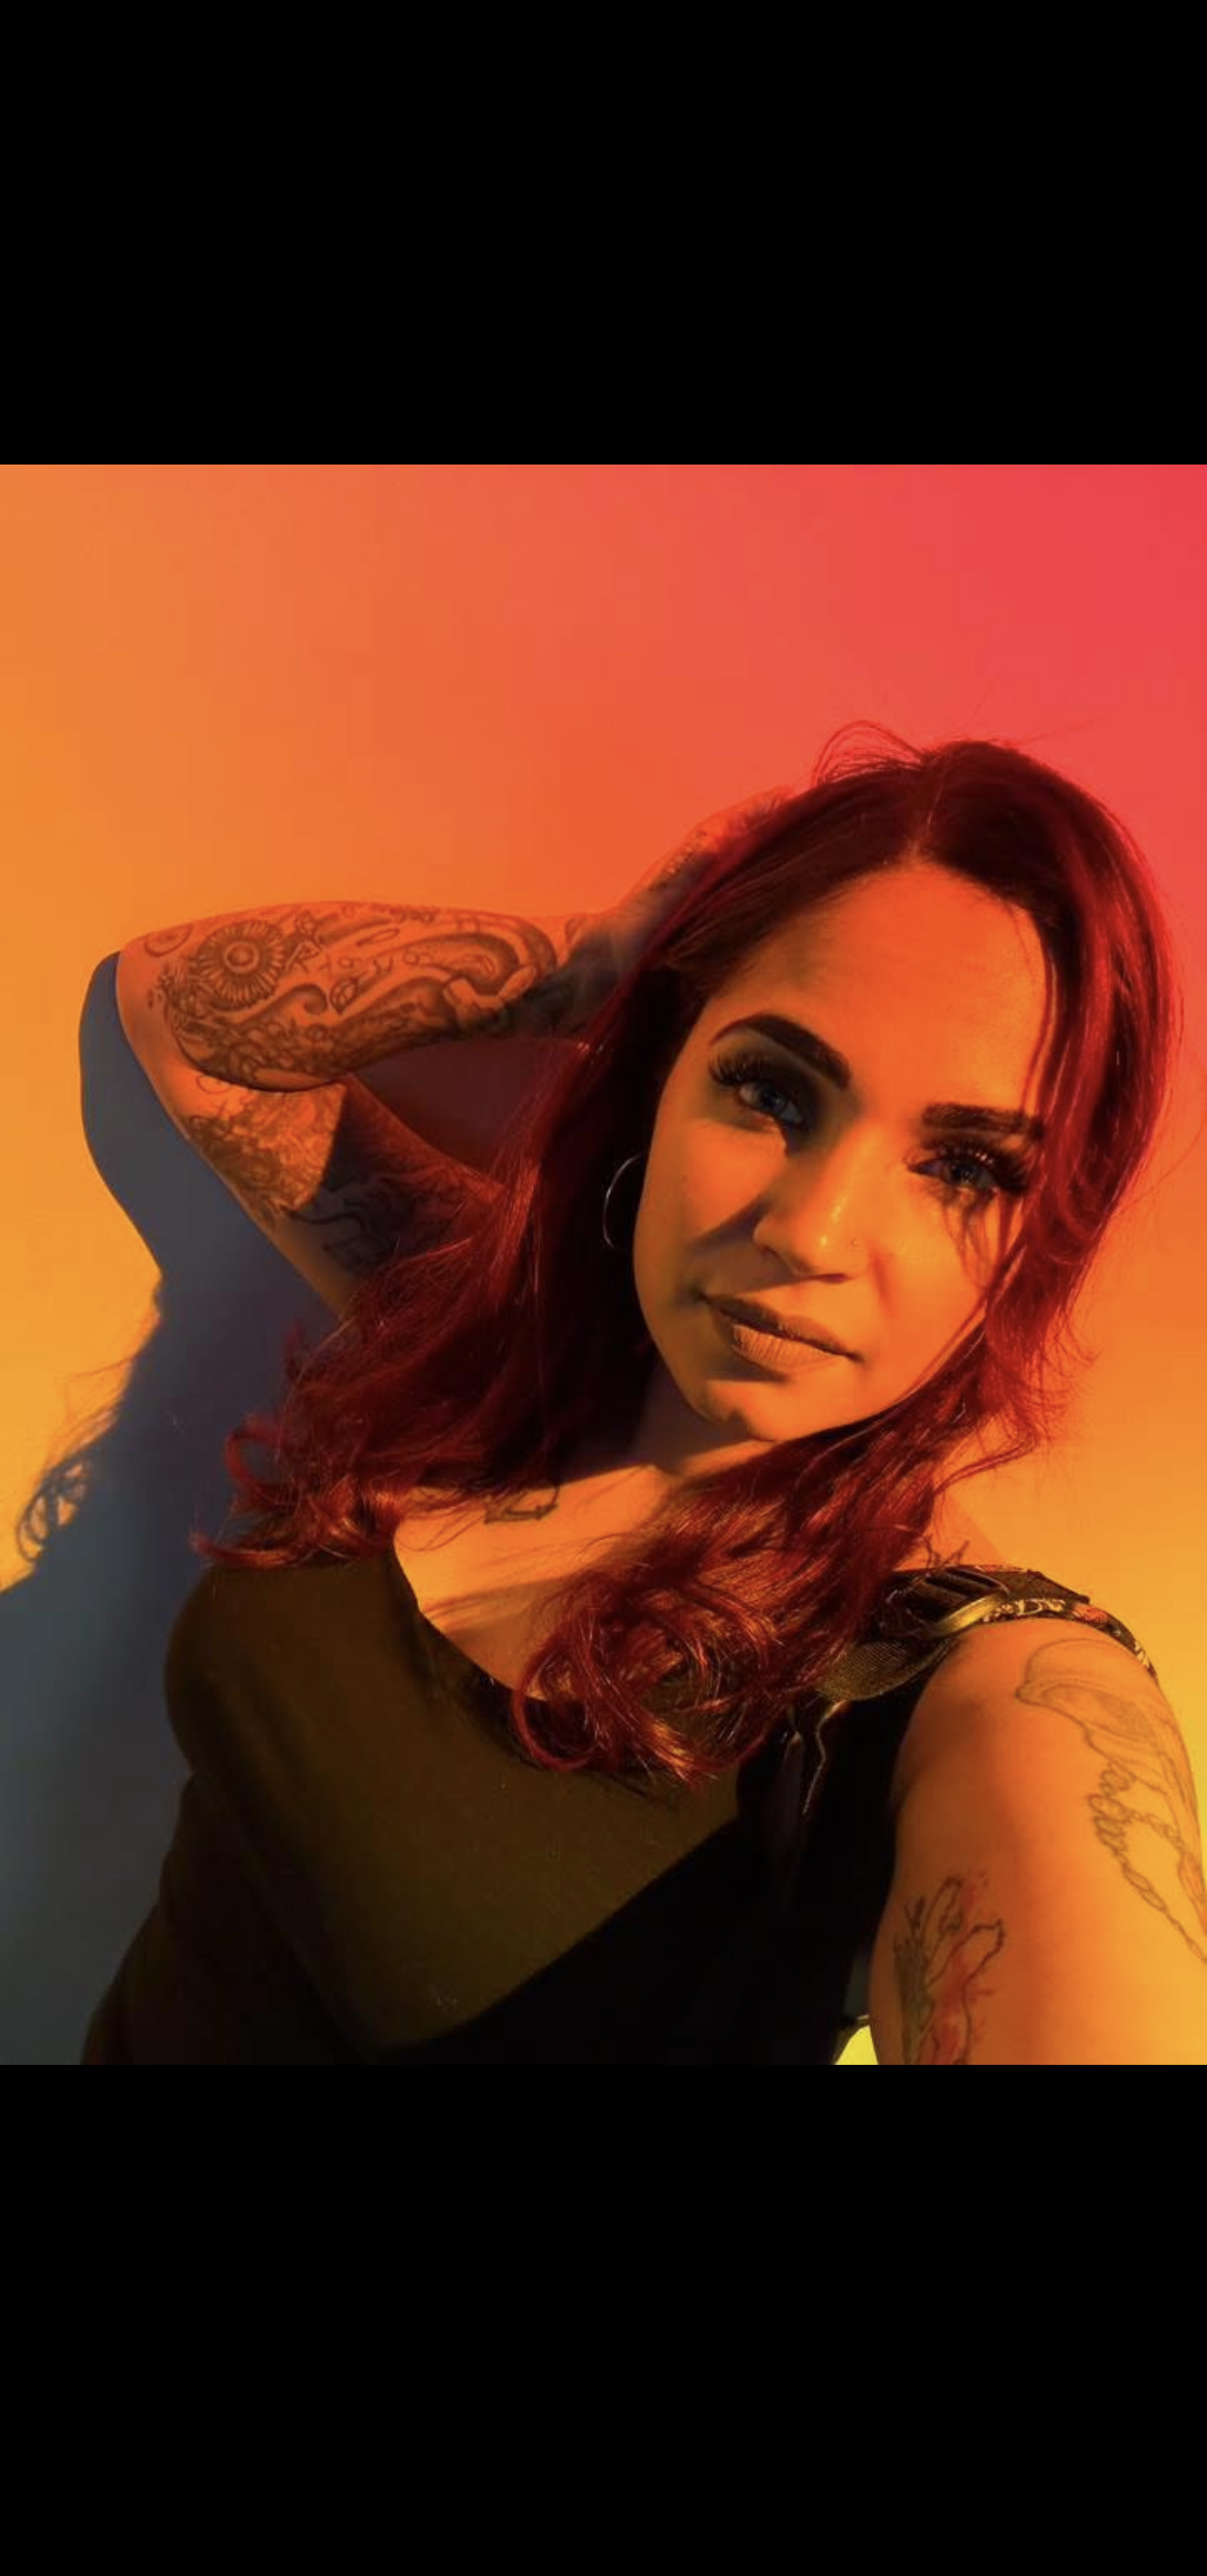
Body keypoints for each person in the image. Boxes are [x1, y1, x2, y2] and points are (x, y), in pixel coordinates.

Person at [82, 725, 1207, 2062]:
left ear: (1042, 1240)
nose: (811, 1233)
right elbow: (184, 1014)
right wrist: (603, 961)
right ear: (669, 1072)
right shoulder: (494, 1333)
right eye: (770, 1088)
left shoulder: (947, 1681)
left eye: (966, 1168)